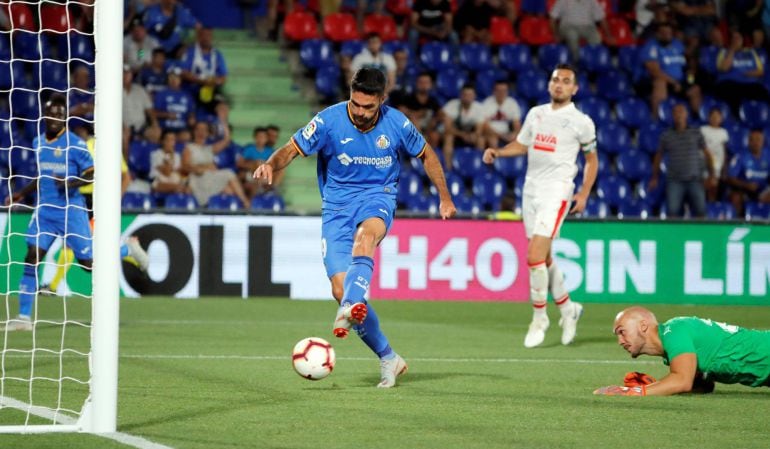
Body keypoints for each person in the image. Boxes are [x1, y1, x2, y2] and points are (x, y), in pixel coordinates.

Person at [253, 67, 457, 388]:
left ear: (382, 99)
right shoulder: (329, 120)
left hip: (378, 198)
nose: (360, 113)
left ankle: (349, 306)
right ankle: (389, 358)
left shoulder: (397, 123)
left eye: (368, 107)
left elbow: (427, 155)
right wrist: (269, 163)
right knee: (340, 289)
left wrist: (444, 197)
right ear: (350, 93)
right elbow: (290, 150)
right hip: (336, 209)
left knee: (366, 238)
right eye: (356, 104)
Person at [2, 95, 149, 331]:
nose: (56, 118)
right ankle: (23, 318)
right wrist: (21, 193)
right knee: (32, 256)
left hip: (72, 211)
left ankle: (126, 249)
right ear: (46, 115)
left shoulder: (75, 144)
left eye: (61, 115)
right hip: (45, 212)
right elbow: (42, 176)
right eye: (53, 113)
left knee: (88, 264)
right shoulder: (38, 142)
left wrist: (69, 183)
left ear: (65, 118)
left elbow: (91, 173)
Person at [482, 63, 598, 348]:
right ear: (549, 85)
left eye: (566, 81)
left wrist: (582, 194)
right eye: (555, 79)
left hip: (557, 192)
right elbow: (522, 145)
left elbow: (592, 160)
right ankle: (569, 309)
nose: (559, 84)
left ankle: (539, 318)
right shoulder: (536, 114)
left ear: (575, 88)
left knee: (533, 255)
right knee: (543, 259)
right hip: (531, 190)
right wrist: (498, 151)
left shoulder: (581, 122)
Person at [594, 306, 770, 396]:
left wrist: (631, 392)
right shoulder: (674, 345)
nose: (619, 341)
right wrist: (653, 387)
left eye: (622, 332)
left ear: (643, 325)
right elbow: (703, 386)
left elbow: (682, 381)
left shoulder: (674, 331)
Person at [649, 103, 715, 218]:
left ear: (686, 114)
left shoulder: (696, 133)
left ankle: (700, 235)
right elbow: (658, 156)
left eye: (681, 112)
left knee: (700, 212)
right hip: (674, 181)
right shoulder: (666, 135)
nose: (679, 115)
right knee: (673, 213)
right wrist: (655, 177)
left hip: (695, 180)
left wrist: (712, 175)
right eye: (676, 112)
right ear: (672, 115)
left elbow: (707, 154)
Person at [182, 119, 249, 208]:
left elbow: (227, 140)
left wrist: (223, 121)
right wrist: (204, 167)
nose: (201, 132)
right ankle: (245, 202)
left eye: (204, 129)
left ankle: (237, 210)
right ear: (194, 131)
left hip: (211, 178)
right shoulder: (189, 148)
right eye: (198, 129)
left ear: (207, 133)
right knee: (229, 174)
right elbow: (185, 166)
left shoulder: (210, 148)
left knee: (229, 190)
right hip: (198, 180)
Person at [549, 0, 614, 61]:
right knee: (572, 35)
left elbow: (601, 18)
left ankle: (593, 62)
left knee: (596, 37)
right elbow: (552, 18)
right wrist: (555, 34)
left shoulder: (592, 1)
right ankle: (577, 62)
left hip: (588, 27)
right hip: (568, 27)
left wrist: (609, 35)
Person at [726, 129, 770, 217]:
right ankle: (736, 222)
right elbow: (730, 178)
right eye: (752, 139)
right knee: (735, 198)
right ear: (748, 141)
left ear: (763, 141)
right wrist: (746, 185)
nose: (755, 142)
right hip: (744, 189)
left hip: (763, 190)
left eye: (758, 139)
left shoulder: (768, 155)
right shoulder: (740, 156)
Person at [481, 80, 522, 148]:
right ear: (494, 91)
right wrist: (500, 135)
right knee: (493, 140)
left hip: (506, 132)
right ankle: (496, 159)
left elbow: (517, 123)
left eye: (504, 91)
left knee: (518, 139)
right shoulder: (487, 103)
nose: (501, 93)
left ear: (507, 91)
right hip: (491, 133)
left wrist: (515, 134)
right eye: (499, 91)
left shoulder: (512, 103)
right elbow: (485, 125)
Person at [699, 107, 728, 202]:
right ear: (708, 117)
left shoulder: (723, 132)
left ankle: (712, 210)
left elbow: (724, 151)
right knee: (703, 189)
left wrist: (724, 169)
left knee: (714, 189)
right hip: (704, 165)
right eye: (713, 116)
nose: (715, 118)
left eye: (717, 116)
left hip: (717, 165)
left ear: (721, 118)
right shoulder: (703, 129)